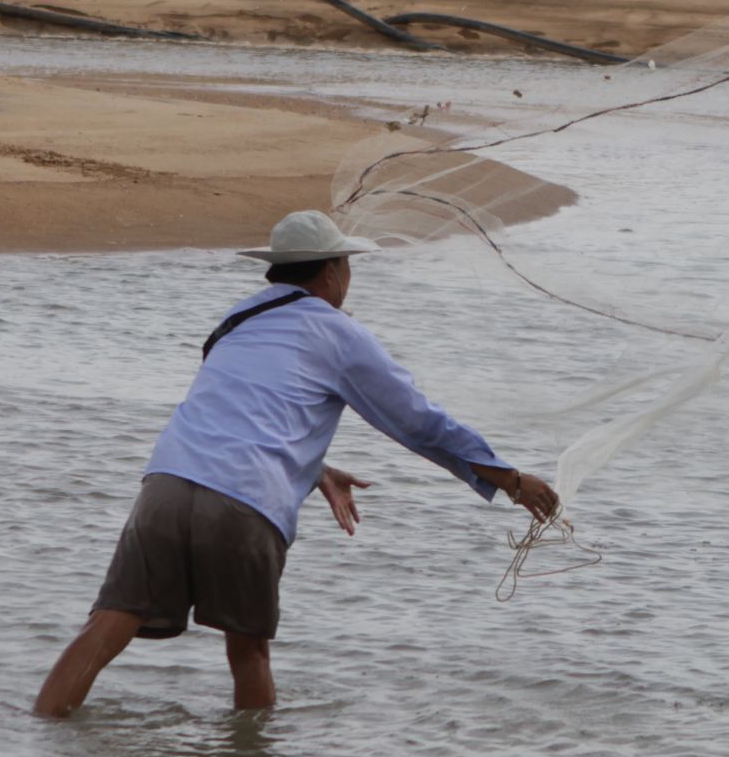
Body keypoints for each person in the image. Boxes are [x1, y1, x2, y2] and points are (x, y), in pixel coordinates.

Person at [32, 210, 560, 718]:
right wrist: (509, 479)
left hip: (166, 486)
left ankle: (42, 736)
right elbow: (418, 422)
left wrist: (317, 470)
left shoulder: (237, 318)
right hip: (245, 502)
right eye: (348, 268)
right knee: (248, 653)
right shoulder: (339, 332)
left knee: (106, 627)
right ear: (332, 272)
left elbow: (241, 411)